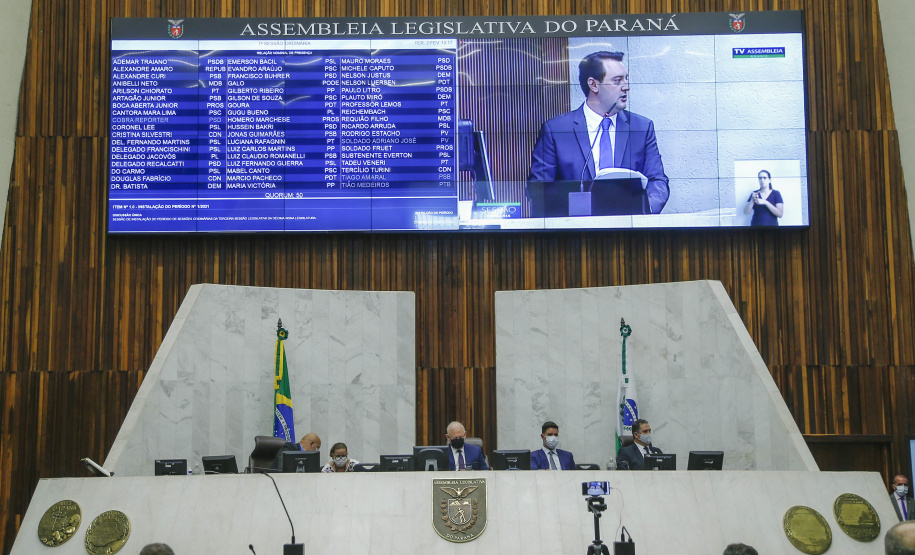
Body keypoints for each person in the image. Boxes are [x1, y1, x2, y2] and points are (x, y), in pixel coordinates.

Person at [527, 51, 669, 215]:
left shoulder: (642, 128)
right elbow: (538, 188)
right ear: (593, 84)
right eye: (617, 81)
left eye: (626, 78)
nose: (626, 87)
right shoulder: (556, 130)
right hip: (575, 233)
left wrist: (643, 211)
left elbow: (657, 181)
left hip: (631, 231)